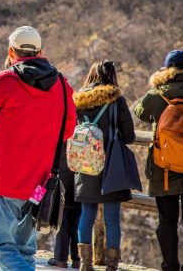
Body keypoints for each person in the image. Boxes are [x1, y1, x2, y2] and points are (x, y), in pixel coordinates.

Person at [0, 26, 76, 270]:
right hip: (40, 182)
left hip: (5, 178)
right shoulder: (62, 85)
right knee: (25, 249)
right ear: (40, 52)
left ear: (10, 51)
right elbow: (67, 131)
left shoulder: (3, 81)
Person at [73, 60, 135, 271]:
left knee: (87, 214)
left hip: (85, 163)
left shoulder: (79, 100)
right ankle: (111, 266)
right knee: (112, 219)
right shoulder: (117, 100)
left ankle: (85, 264)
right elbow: (129, 136)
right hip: (111, 166)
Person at [135, 50, 183, 271]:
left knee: (167, 221)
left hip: (164, 167)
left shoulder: (158, 94)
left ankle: (170, 265)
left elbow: (140, 111)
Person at [48, 141, 81, 269]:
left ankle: (60, 258)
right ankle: (78, 259)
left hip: (63, 173)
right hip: (83, 174)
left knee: (63, 215)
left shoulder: (62, 121)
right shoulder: (86, 122)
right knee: (79, 216)